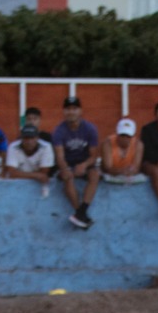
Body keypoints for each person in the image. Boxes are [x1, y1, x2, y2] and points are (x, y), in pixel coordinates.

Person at [52, 96, 103, 230]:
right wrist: (66, 169)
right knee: (67, 177)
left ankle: (81, 212)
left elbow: (94, 155)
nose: (71, 112)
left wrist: (84, 165)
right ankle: (80, 214)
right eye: (68, 109)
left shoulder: (90, 129)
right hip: (68, 164)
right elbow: (59, 157)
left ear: (80, 111)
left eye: (74, 109)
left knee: (95, 174)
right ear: (63, 112)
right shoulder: (58, 131)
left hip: (85, 163)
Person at [3, 120, 55, 185]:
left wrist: (20, 174)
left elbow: (44, 172)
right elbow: (12, 173)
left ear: (37, 138)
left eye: (32, 138)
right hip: (17, 183)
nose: (29, 141)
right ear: (21, 138)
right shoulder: (13, 147)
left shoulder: (46, 147)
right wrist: (37, 175)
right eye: (26, 138)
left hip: (37, 184)